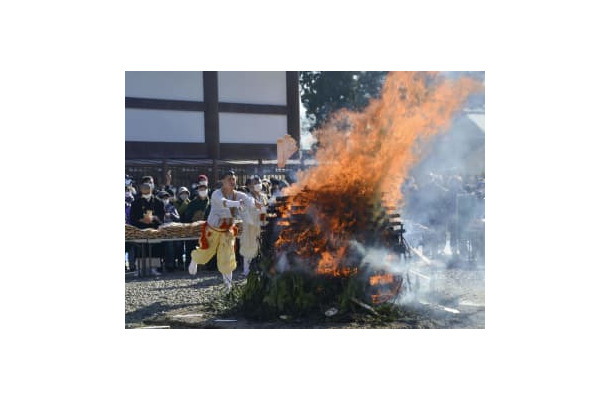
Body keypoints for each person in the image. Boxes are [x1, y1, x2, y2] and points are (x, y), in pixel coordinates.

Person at [189, 170, 261, 289]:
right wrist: (237, 204)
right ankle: (194, 259)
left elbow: (249, 201)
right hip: (213, 230)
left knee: (227, 257)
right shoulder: (216, 194)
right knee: (205, 253)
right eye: (229, 179)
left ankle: (228, 286)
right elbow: (225, 203)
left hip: (227, 231)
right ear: (222, 181)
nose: (232, 181)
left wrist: (257, 204)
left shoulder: (238, 194)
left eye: (234, 179)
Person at [130, 181, 165, 275]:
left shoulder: (158, 201)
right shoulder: (136, 202)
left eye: (147, 190)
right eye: (144, 190)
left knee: (155, 248)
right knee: (140, 248)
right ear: (141, 190)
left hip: (154, 228)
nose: (146, 192)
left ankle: (154, 268)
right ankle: (140, 268)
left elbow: (162, 216)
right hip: (140, 228)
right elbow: (132, 217)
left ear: (151, 190)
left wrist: (154, 218)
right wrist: (141, 220)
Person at [239, 175, 268, 276]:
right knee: (248, 247)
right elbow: (244, 212)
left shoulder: (264, 196)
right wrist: (256, 216)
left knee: (260, 247)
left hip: (262, 225)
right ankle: (246, 270)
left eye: (258, 182)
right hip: (250, 226)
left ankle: (260, 268)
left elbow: (266, 209)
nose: (258, 185)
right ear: (250, 186)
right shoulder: (247, 197)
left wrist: (264, 215)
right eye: (255, 183)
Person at [183, 177, 211, 269]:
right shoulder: (192, 203)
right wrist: (194, 219)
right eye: (200, 189)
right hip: (194, 229)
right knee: (191, 246)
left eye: (204, 189)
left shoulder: (211, 203)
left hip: (208, 229)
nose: (202, 190)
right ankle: (190, 264)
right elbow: (187, 217)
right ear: (198, 190)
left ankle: (209, 265)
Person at [158, 190, 180, 271]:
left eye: (166, 197)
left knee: (170, 245)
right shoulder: (156, 207)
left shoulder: (172, 207)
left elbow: (178, 218)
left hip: (170, 231)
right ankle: (158, 266)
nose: (165, 199)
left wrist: (171, 215)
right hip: (158, 232)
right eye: (163, 198)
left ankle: (170, 265)